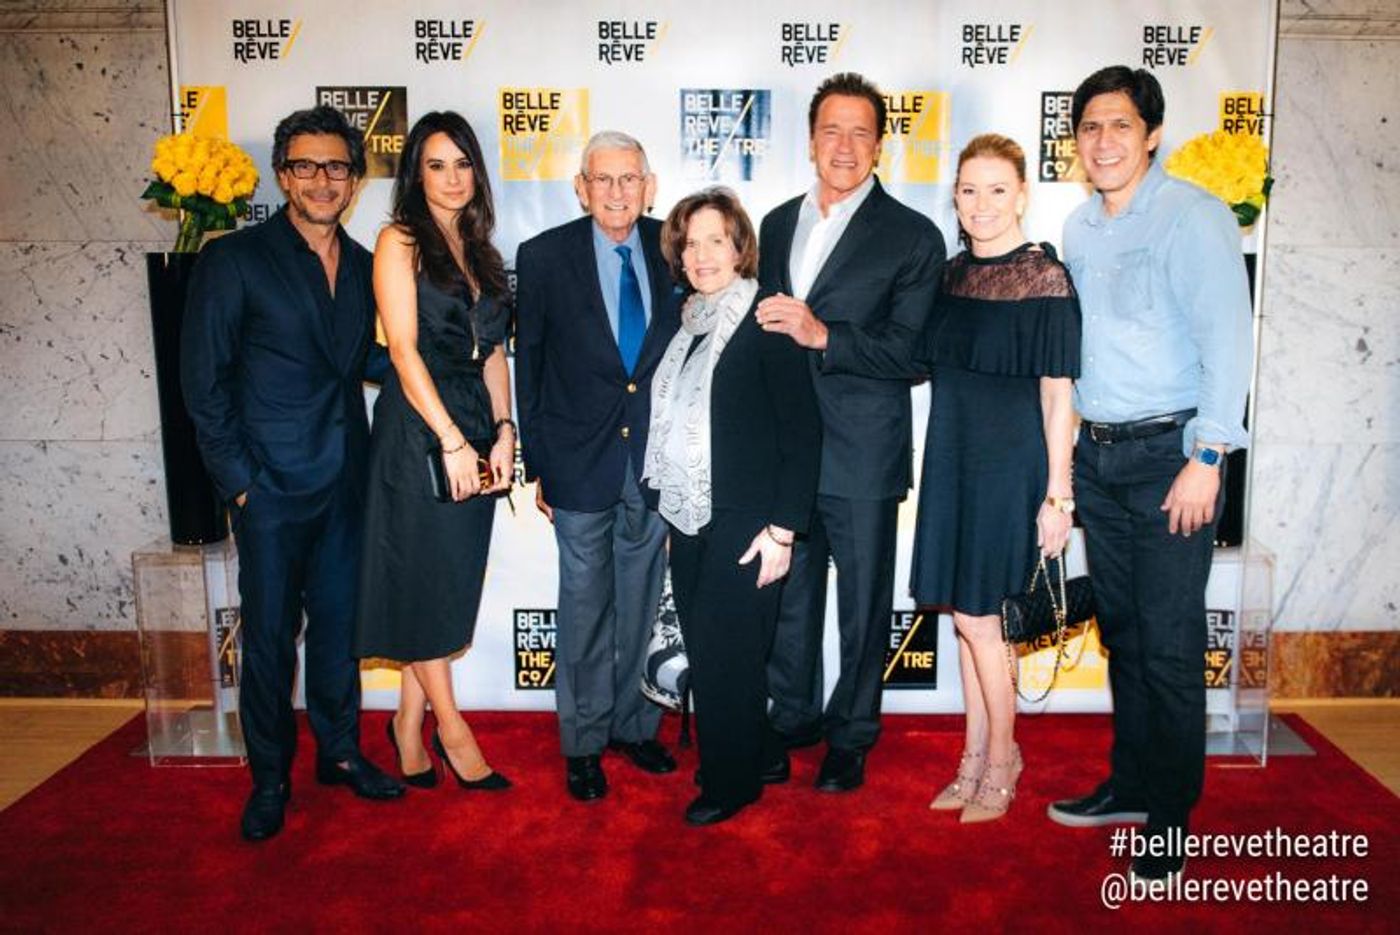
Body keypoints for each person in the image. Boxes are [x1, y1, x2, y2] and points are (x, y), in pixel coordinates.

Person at [1046, 67, 1253, 885]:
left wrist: (1208, 458)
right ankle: (1131, 782)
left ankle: (1170, 817)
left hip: (1173, 460)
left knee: (1167, 645)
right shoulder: (1077, 227)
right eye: (1091, 126)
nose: (1104, 141)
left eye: (1121, 126)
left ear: (1153, 134)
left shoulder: (1194, 217)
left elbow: (1229, 345)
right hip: (1099, 459)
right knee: (1125, 635)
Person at [181, 105, 404, 842]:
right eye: (305, 166)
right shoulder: (234, 258)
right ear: (282, 175)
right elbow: (202, 383)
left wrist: (445, 361)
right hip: (270, 488)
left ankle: (340, 753)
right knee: (272, 640)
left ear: (354, 179)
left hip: (347, 481)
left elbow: (367, 362)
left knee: (341, 634)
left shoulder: (369, 266)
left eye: (336, 166)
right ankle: (270, 775)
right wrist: (240, 482)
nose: (321, 179)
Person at [757, 72, 945, 792]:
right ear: (810, 141)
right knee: (788, 598)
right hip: (787, 453)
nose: (844, 144)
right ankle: (792, 716)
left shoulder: (912, 236)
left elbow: (913, 353)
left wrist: (823, 334)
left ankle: (853, 732)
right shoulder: (775, 223)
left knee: (863, 606)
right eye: (831, 129)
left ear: (880, 146)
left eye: (860, 131)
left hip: (864, 454)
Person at [911, 134, 1081, 822]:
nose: (982, 204)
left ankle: (1003, 761)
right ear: (954, 196)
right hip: (949, 460)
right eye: (969, 190)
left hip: (1009, 468)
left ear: (1022, 195)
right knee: (963, 623)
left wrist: (1058, 494)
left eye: (997, 190)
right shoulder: (949, 278)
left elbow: (1057, 395)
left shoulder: (1045, 279)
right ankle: (973, 758)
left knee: (984, 623)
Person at [643, 188, 821, 826]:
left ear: (740, 246)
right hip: (691, 518)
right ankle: (764, 751)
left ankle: (730, 783)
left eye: (715, 239)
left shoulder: (767, 320)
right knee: (720, 649)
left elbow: (802, 432)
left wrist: (783, 531)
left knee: (726, 657)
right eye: (690, 243)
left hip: (751, 522)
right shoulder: (687, 323)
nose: (701, 253)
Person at [515, 131, 681, 801]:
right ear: (581, 188)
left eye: (629, 179)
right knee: (584, 608)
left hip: (652, 464)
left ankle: (634, 726)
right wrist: (539, 466)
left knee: (641, 606)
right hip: (578, 466)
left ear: (650, 184)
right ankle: (582, 741)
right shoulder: (544, 256)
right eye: (603, 180)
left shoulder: (676, 247)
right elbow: (529, 368)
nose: (617, 192)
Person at [353, 111, 513, 792]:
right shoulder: (400, 241)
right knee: (423, 576)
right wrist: (449, 439)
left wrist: (504, 431)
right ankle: (452, 729)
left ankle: (405, 721)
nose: (452, 178)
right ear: (416, 174)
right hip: (419, 426)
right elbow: (404, 349)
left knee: (445, 578)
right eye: (436, 165)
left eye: (462, 163)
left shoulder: (481, 250)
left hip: (475, 425)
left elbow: (497, 350)